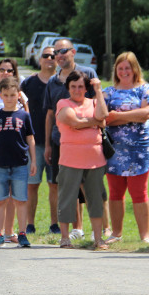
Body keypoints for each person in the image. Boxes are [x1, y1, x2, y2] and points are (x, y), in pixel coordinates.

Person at [43, 38, 100, 240]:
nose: (58, 56)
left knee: (92, 187)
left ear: (73, 52)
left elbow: (98, 106)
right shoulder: (52, 82)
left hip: (89, 142)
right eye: (55, 53)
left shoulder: (88, 74)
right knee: (68, 185)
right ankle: (77, 228)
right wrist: (48, 145)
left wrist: (87, 123)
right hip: (61, 142)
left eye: (63, 51)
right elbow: (50, 115)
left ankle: (101, 229)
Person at [103, 52, 149, 244]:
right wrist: (131, 116)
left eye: (128, 68)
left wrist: (117, 116)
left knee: (139, 192)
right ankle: (116, 233)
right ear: (116, 70)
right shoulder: (108, 92)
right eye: (120, 68)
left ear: (135, 69)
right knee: (115, 192)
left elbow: (146, 114)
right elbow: (103, 117)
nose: (124, 71)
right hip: (114, 149)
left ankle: (145, 236)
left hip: (139, 149)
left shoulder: (146, 89)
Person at [55, 71, 109, 249]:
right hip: (70, 159)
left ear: (86, 88)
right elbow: (74, 122)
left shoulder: (94, 102)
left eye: (80, 86)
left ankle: (98, 239)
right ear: (68, 88)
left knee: (96, 199)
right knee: (67, 198)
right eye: (73, 86)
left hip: (95, 159)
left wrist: (98, 90)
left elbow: (103, 116)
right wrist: (95, 122)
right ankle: (65, 238)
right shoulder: (63, 103)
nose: (77, 90)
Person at [0, 77, 36, 248]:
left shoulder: (24, 116)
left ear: (18, 95)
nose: (9, 98)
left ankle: (22, 234)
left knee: (20, 200)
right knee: (0, 200)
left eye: (13, 95)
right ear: (1, 96)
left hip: (20, 164)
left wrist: (34, 161)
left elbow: (30, 139)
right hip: (0, 164)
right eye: (6, 95)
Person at [20, 45, 58, 234]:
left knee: (54, 185)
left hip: (56, 143)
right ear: (39, 59)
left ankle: (54, 224)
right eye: (46, 55)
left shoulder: (61, 82)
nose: (49, 58)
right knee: (32, 185)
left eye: (53, 55)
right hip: (33, 144)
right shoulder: (28, 83)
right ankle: (30, 224)